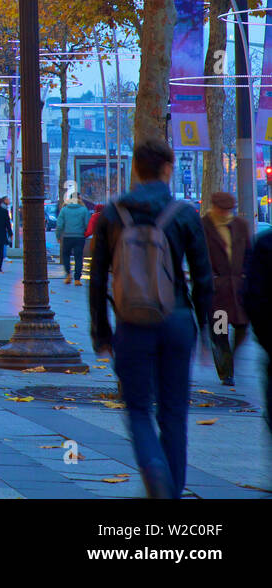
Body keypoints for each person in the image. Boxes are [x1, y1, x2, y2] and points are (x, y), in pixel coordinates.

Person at [89, 138, 213, 499]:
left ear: (136, 170)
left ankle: (153, 469)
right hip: (176, 319)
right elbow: (203, 278)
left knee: (138, 409)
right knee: (174, 412)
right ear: (167, 168)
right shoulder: (184, 213)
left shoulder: (113, 213)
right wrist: (205, 331)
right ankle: (170, 490)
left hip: (131, 324)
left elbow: (98, 279)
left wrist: (101, 333)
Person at [200, 191, 251, 386]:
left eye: (228, 210)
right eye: (221, 209)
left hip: (238, 290)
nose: (224, 213)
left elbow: (248, 253)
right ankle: (226, 372)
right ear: (214, 207)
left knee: (242, 328)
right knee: (219, 333)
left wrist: (246, 276)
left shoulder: (240, 225)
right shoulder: (204, 226)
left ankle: (230, 358)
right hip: (218, 293)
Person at [243, 227, 272, 434]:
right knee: (220, 330)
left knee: (232, 328)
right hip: (221, 292)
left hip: (233, 286)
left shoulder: (242, 230)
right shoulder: (263, 243)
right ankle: (224, 368)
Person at [55, 191, 91, 285]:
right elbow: (87, 224)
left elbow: (59, 225)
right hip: (79, 237)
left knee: (66, 255)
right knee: (78, 257)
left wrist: (58, 236)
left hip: (67, 237)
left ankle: (68, 275)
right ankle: (77, 279)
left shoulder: (64, 210)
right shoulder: (84, 210)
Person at [0, 197, 12, 272]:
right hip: (1, 234)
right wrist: (10, 233)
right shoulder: (4, 211)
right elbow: (8, 224)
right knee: (0, 251)